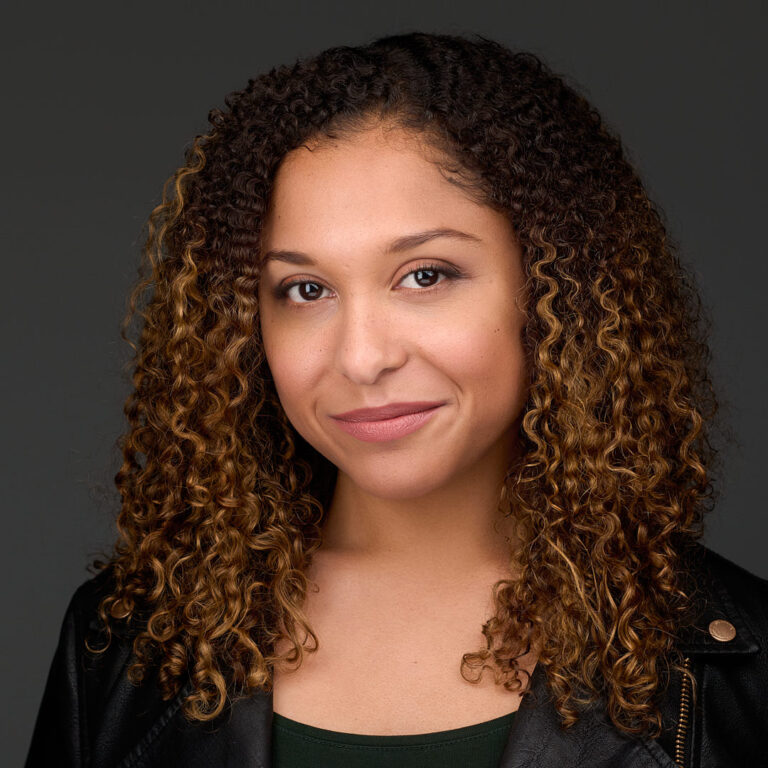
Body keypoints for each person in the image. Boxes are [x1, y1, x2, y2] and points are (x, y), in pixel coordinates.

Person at [25, 31, 768, 768]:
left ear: (554, 290)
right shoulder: (129, 646)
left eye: (425, 276)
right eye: (306, 290)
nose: (362, 357)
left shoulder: (737, 667)